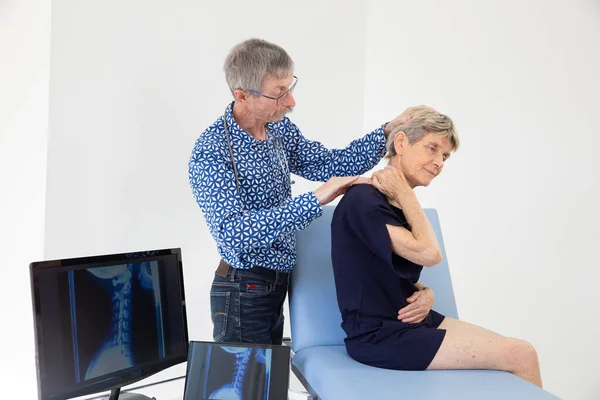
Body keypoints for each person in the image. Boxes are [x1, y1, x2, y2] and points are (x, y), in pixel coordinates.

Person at [188, 38, 415, 345]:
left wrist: (387, 131)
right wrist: (316, 198)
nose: (291, 102)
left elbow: (331, 164)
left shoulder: (279, 129)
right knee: (244, 392)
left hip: (277, 282)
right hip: (242, 288)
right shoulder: (211, 152)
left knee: (268, 387)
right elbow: (233, 232)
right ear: (242, 95)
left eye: (290, 87)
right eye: (279, 94)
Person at [330, 107, 543, 387]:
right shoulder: (364, 200)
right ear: (401, 142)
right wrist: (405, 192)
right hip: (379, 337)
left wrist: (425, 292)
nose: (439, 162)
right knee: (521, 354)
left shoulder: (395, 203)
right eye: (432, 148)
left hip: (410, 322)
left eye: (444, 156)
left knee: (516, 351)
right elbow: (430, 254)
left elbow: (375, 270)